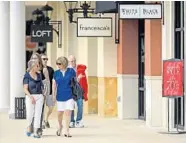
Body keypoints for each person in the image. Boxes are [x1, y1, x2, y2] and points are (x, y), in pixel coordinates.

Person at [52, 56, 76, 137]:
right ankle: (60, 126)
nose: (58, 65)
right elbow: (54, 84)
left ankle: (67, 130)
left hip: (70, 95)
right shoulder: (56, 73)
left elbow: (75, 82)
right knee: (59, 114)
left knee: (68, 112)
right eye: (57, 63)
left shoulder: (71, 71)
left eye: (59, 63)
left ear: (64, 64)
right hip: (60, 95)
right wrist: (54, 95)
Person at [23, 59, 44, 138]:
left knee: (38, 114)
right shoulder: (27, 76)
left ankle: (35, 132)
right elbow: (25, 88)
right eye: (37, 66)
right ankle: (28, 127)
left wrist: (43, 94)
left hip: (39, 96)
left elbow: (41, 85)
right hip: (30, 96)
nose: (38, 67)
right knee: (30, 114)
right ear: (32, 67)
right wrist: (31, 97)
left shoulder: (39, 75)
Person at [68, 55, 88, 128]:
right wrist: (77, 79)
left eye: (74, 61)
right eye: (71, 61)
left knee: (80, 105)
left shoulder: (79, 69)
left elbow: (85, 81)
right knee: (71, 106)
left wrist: (85, 91)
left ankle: (78, 121)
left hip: (79, 90)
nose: (73, 62)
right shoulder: (67, 70)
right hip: (71, 90)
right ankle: (71, 121)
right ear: (68, 62)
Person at [40, 54, 55, 128]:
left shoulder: (51, 69)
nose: (45, 60)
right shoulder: (38, 69)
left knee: (51, 107)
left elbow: (54, 81)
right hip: (42, 92)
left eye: (46, 59)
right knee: (42, 107)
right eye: (44, 59)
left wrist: (54, 91)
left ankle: (46, 119)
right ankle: (42, 122)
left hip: (50, 91)